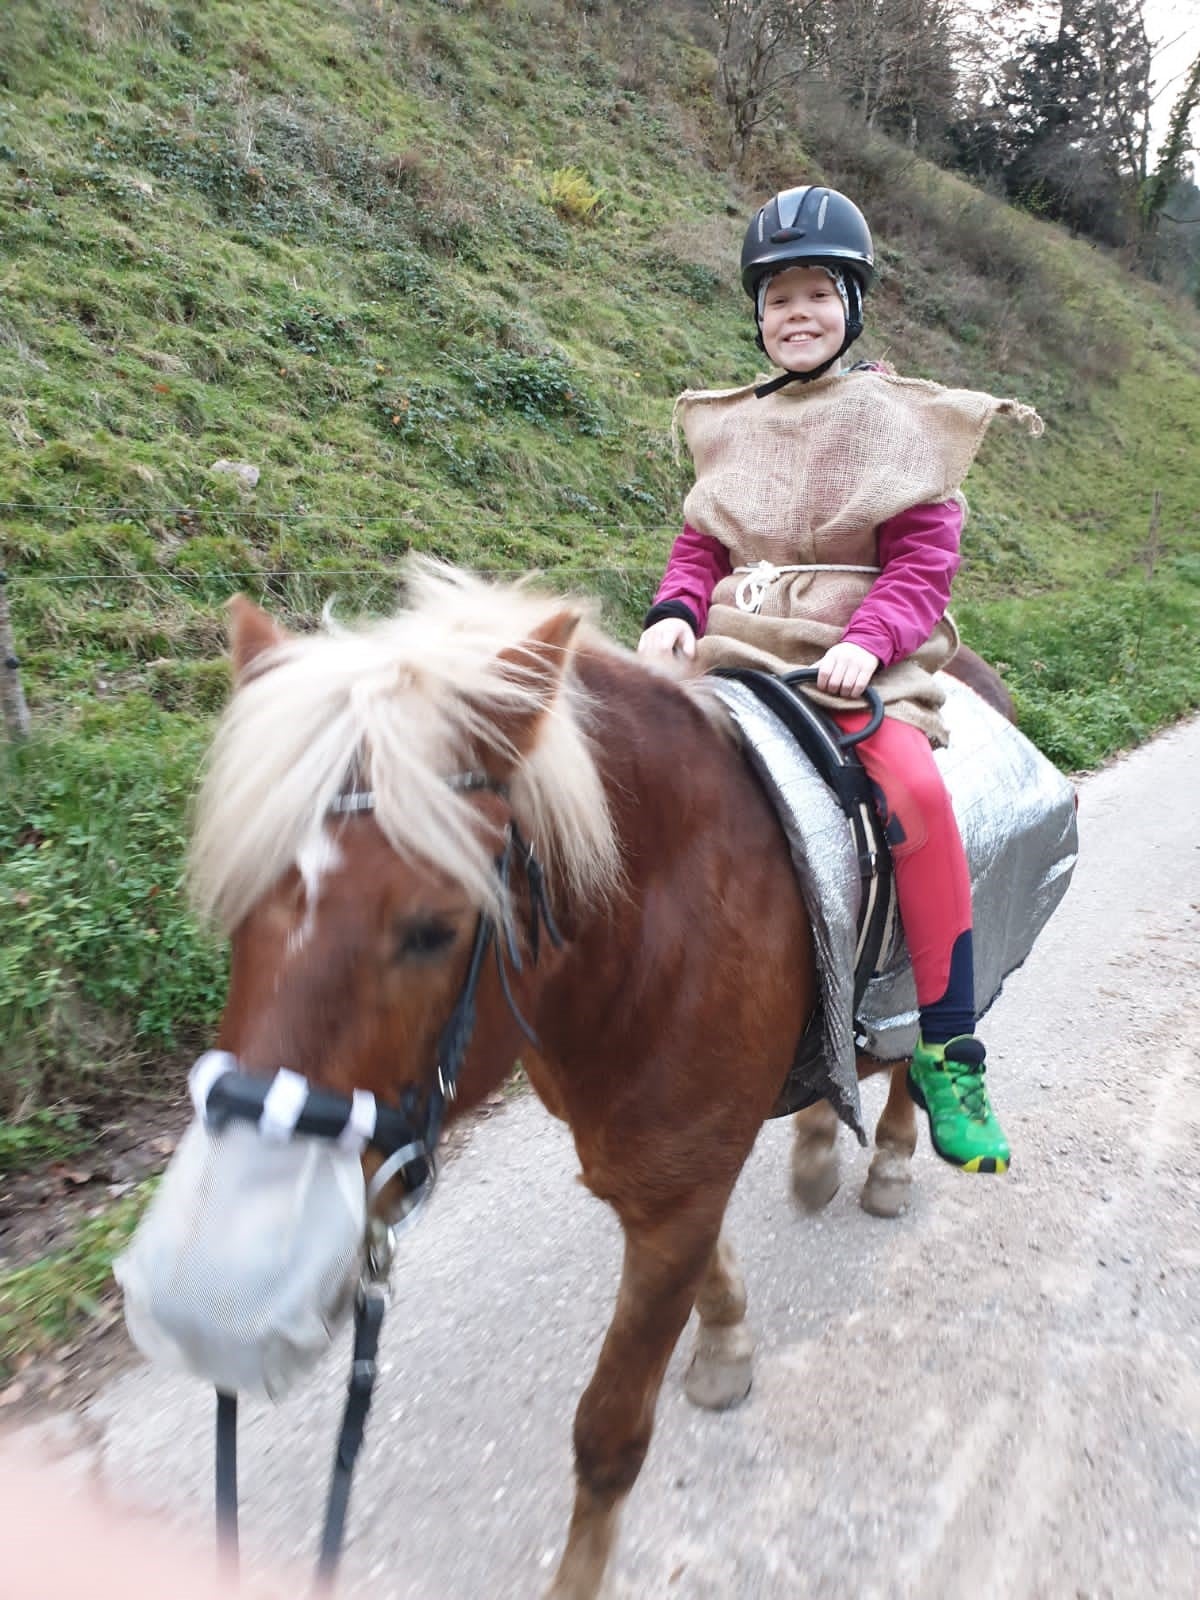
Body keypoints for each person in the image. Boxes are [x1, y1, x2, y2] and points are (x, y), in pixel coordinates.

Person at [638, 184, 1042, 1174]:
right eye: (779, 298)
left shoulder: (901, 420)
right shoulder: (731, 426)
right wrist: (672, 615)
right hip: (739, 642)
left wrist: (868, 637)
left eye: (818, 292)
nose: (798, 314)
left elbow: (921, 566)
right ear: (759, 314)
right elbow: (700, 548)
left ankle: (950, 1046)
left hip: (857, 655)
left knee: (911, 789)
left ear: (852, 302)